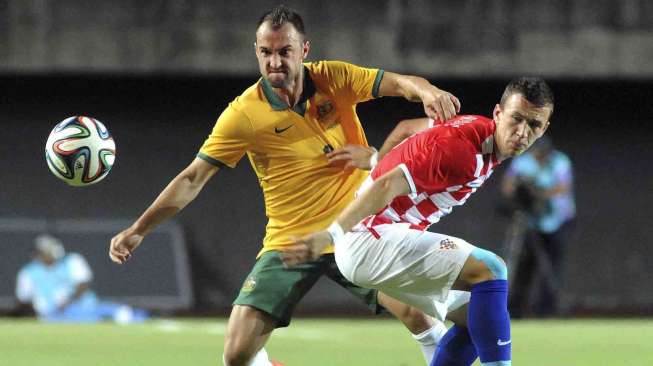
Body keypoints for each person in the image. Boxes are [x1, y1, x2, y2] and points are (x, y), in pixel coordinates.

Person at [109, 5, 465, 366]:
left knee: (420, 316)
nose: (274, 62)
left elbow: (400, 83)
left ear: (304, 50)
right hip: (289, 239)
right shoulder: (243, 114)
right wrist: (140, 229)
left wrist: (427, 91)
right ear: (256, 52)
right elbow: (192, 178)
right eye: (266, 53)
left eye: (284, 52)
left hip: (355, 229)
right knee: (237, 355)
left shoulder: (334, 78)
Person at [281, 77, 555, 366]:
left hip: (379, 238)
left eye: (534, 125)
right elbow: (386, 187)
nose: (522, 132)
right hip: (369, 239)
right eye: (516, 119)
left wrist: (377, 161)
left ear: (544, 128)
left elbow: (406, 130)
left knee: (482, 316)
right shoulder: (460, 151)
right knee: (492, 269)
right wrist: (331, 234)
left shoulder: (475, 129)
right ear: (498, 113)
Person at [501, 135, 575, 318]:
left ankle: (547, 310)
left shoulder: (560, 162)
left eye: (543, 154)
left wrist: (538, 193)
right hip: (530, 221)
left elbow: (562, 188)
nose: (539, 157)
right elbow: (508, 187)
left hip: (557, 221)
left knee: (552, 265)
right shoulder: (523, 162)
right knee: (525, 265)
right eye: (537, 154)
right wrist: (522, 190)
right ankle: (516, 309)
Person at [15, 234, 147, 323]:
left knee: (115, 312)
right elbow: (24, 300)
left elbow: (83, 283)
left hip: (82, 305)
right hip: (50, 314)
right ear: (40, 253)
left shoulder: (72, 260)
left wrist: (68, 301)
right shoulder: (28, 272)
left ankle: (130, 316)